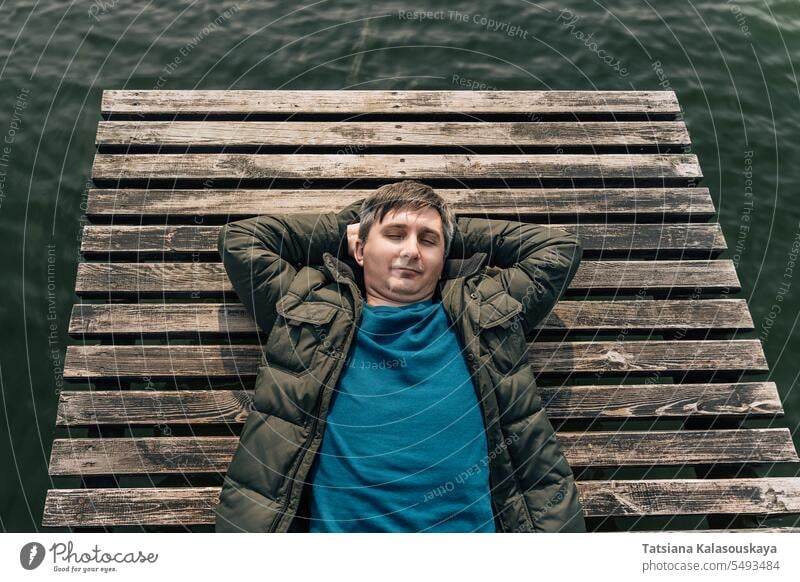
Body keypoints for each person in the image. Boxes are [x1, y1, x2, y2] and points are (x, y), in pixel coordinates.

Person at [214, 180, 586, 533]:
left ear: (445, 257)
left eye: (428, 241)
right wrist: (353, 224)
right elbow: (241, 240)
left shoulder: (484, 312)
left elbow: (559, 249)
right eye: (394, 235)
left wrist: (450, 230)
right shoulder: (307, 311)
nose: (410, 251)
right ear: (359, 249)